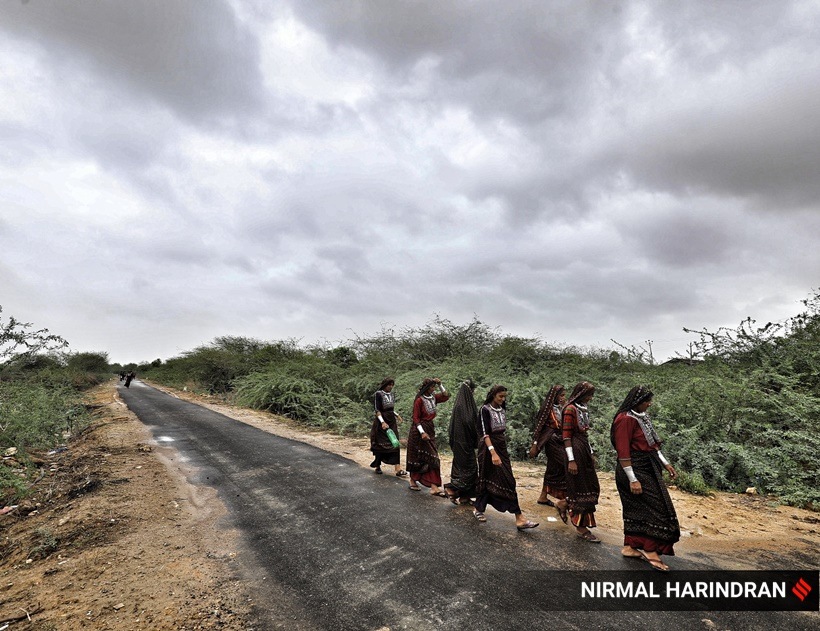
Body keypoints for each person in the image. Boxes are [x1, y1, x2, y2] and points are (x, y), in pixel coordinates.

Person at [611, 386, 680, 572]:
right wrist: (633, 479)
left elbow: (652, 445)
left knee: (641, 508)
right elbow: (623, 452)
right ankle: (650, 550)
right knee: (656, 508)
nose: (649, 404)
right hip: (633, 469)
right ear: (637, 402)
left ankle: (630, 546)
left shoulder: (642, 417)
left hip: (648, 466)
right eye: (646, 401)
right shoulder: (625, 420)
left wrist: (665, 463)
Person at [474, 385, 539, 530]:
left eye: (504, 397)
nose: (503, 400)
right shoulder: (485, 410)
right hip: (488, 448)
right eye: (500, 397)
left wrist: (500, 450)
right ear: (493, 395)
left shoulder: (502, 409)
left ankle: (516, 517)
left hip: (501, 447)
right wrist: (493, 453)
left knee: (508, 480)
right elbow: (485, 434)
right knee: (486, 477)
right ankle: (517, 517)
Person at [562, 381, 600, 542]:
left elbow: (585, 434)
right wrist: (571, 460)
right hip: (574, 451)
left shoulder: (582, 409)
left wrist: (590, 453)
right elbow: (566, 436)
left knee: (590, 485)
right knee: (579, 488)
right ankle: (580, 527)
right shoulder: (570, 409)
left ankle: (563, 503)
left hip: (583, 449)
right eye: (588, 395)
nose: (590, 398)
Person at [529, 384, 569, 523]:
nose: (564, 398)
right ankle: (566, 499)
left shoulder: (562, 408)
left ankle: (543, 496)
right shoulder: (547, 409)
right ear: (555, 396)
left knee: (552, 468)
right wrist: (535, 443)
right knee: (565, 465)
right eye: (561, 395)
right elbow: (539, 427)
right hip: (552, 442)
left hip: (560, 441)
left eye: (564, 395)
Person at [406, 378, 450, 496]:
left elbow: (446, 396)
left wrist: (440, 384)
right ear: (426, 388)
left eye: (434, 387)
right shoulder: (419, 400)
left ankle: (433, 486)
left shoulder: (433, 397)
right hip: (419, 431)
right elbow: (415, 418)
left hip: (430, 429)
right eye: (432, 387)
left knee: (431, 457)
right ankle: (413, 480)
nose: (433, 389)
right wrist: (422, 432)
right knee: (419, 456)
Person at [444, 379, 479, 505]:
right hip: (463, 444)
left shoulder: (460, 405)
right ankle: (451, 489)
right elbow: (470, 423)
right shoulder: (463, 407)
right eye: (473, 391)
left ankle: (465, 497)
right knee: (470, 469)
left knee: (462, 469)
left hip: (461, 443)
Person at [369, 378, 407, 477]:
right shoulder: (378, 394)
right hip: (381, 421)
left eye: (392, 385)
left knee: (395, 442)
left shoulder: (391, 394)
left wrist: (397, 415)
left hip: (391, 421)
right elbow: (377, 409)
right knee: (380, 444)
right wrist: (382, 422)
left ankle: (398, 469)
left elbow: (391, 409)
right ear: (384, 385)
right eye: (388, 385)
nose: (390, 386)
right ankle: (377, 465)